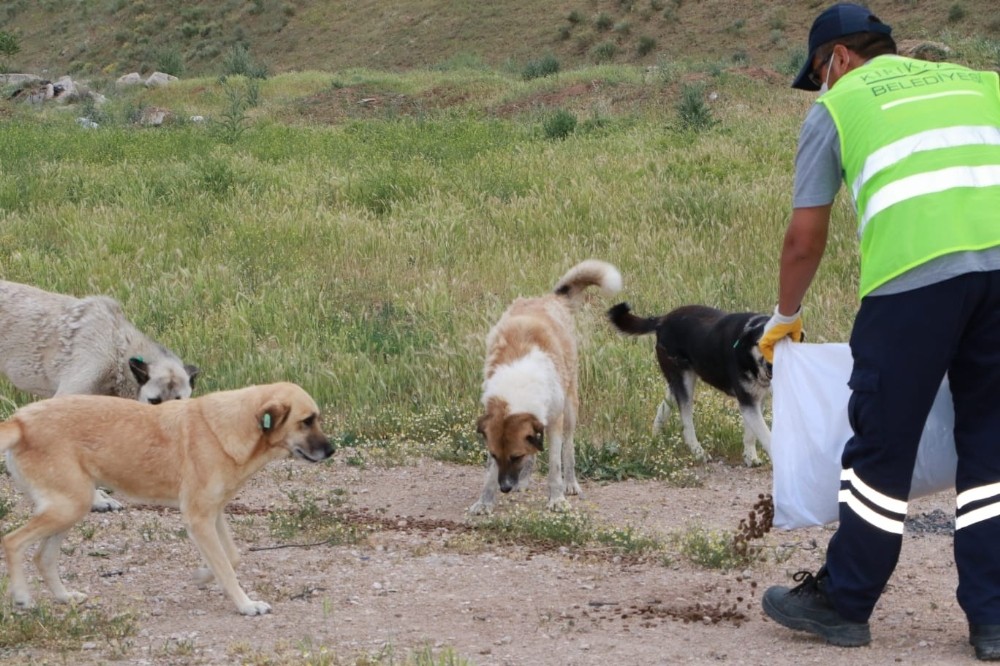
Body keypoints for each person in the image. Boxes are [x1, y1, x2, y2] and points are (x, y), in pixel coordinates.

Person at [755, 2, 1000, 659]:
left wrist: (785, 318)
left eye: (819, 72)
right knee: (992, 447)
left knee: (882, 448)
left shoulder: (835, 107)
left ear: (836, 60)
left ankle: (844, 602)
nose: (823, 86)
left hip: (913, 283)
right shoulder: (981, 82)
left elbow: (804, 240)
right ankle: (994, 619)